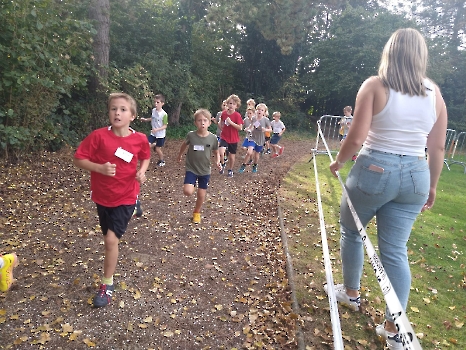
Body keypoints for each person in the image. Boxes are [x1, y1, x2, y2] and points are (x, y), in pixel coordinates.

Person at [326, 28, 447, 350]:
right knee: (395, 251)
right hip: (416, 175)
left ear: (389, 52)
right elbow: (437, 148)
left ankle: (350, 293)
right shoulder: (434, 93)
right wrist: (432, 184)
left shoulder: (376, 86)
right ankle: (394, 330)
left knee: (352, 231)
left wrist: (339, 161)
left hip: (375, 170)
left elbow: (356, 136)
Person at [74, 92, 151, 308]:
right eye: (113, 109)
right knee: (108, 236)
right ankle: (136, 206)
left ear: (132, 116)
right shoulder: (98, 136)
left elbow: (145, 156)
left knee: (110, 240)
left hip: (126, 194)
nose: (117, 112)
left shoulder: (140, 139)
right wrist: (99, 168)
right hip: (102, 197)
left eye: (123, 109)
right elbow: (79, 158)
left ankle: (107, 285)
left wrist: (142, 172)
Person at [177, 109, 221, 224]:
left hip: (205, 170)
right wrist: (180, 155)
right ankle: (191, 184)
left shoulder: (213, 138)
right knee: (187, 192)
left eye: (205, 120)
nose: (202, 123)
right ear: (195, 123)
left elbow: (216, 152)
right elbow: (183, 145)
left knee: (201, 195)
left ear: (209, 123)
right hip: (191, 168)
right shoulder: (191, 135)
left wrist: (218, 161)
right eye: (199, 120)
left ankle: (197, 212)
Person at [238, 103, 272, 174]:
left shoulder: (266, 120)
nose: (260, 111)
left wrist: (265, 130)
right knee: (249, 152)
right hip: (252, 137)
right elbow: (252, 125)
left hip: (260, 139)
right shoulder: (254, 118)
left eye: (262, 110)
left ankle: (255, 165)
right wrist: (248, 129)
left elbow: (270, 129)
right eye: (258, 109)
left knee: (256, 155)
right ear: (256, 110)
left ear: (264, 112)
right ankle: (243, 165)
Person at [218, 94, 244, 177]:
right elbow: (221, 124)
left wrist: (231, 123)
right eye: (229, 103)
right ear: (227, 104)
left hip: (233, 138)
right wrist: (219, 124)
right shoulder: (224, 113)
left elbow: (240, 128)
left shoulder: (237, 115)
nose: (231, 105)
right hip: (224, 136)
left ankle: (230, 170)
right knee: (221, 152)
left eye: (233, 104)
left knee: (232, 157)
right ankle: (223, 163)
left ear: (236, 106)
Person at [141, 94, 168, 167]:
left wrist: (157, 129)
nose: (156, 104)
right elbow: (152, 118)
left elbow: (165, 126)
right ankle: (144, 158)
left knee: (157, 149)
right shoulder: (153, 110)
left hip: (160, 135)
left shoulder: (164, 114)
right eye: (155, 102)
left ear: (162, 103)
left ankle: (162, 160)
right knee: (147, 144)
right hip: (153, 134)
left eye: (158, 102)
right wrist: (146, 119)